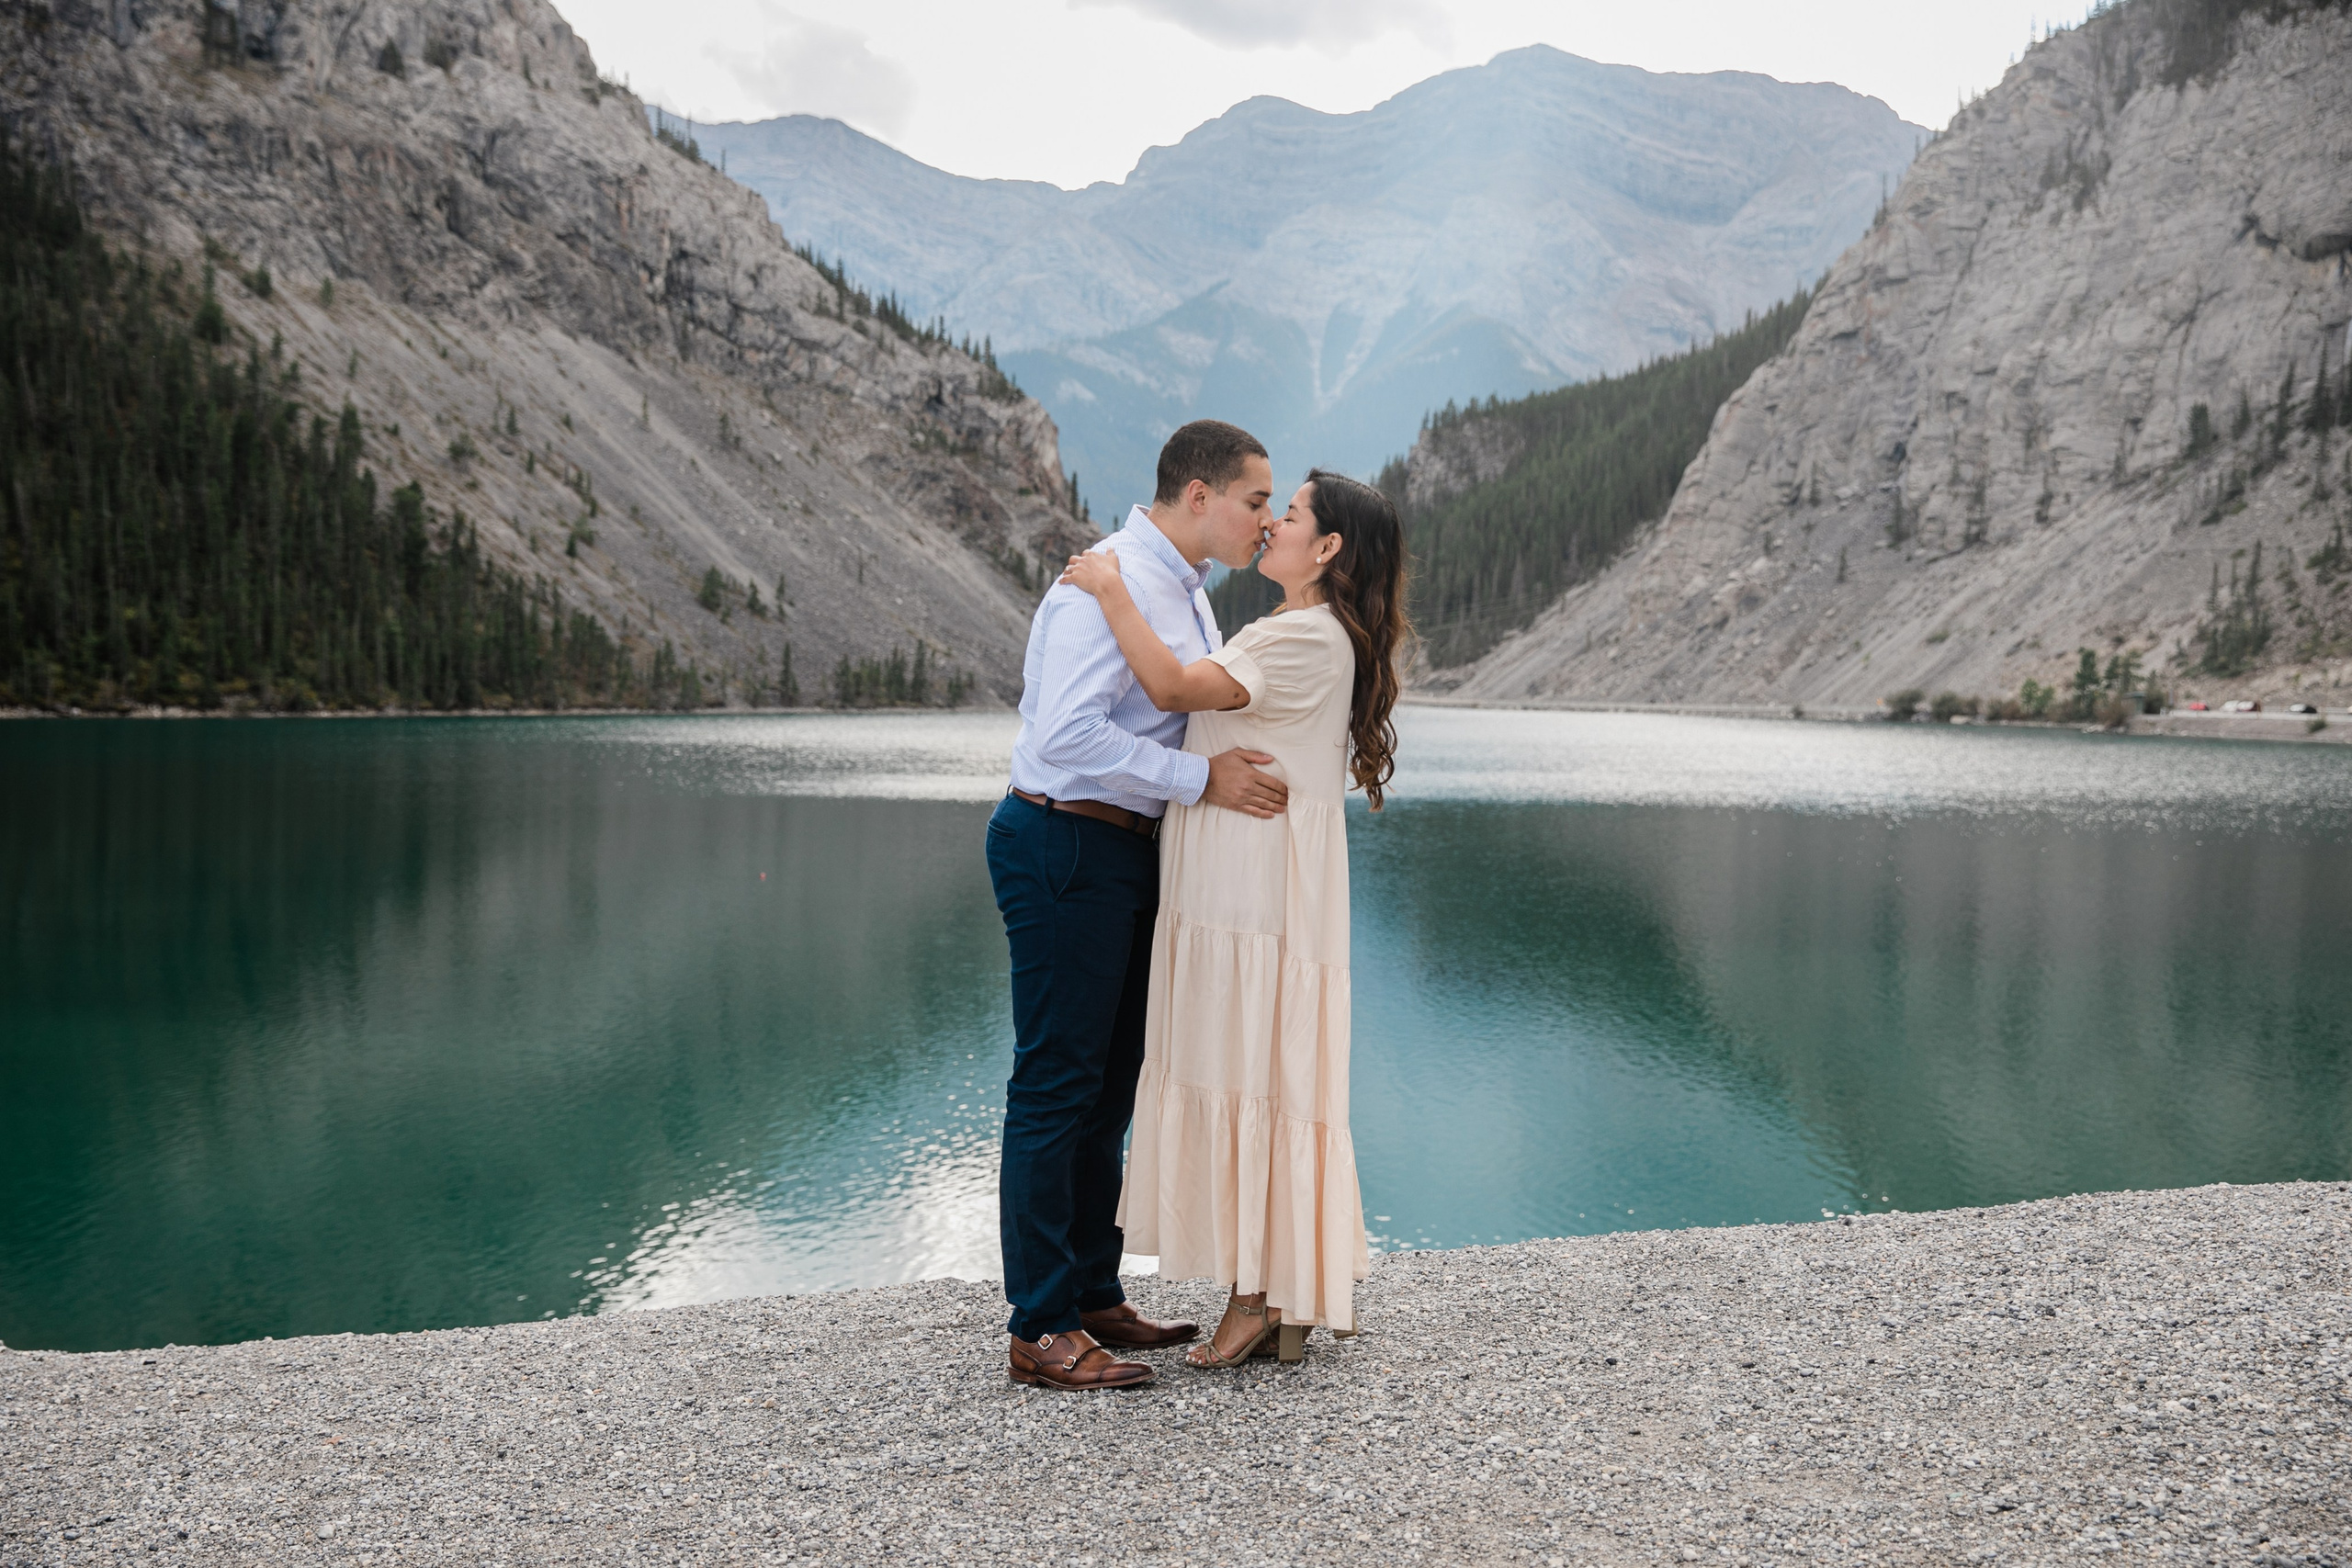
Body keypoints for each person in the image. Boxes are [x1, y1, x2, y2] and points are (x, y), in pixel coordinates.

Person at [1057, 467, 1408, 1369]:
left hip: (1248, 894)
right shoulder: (1315, 633)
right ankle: (1273, 1293)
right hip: (1254, 887)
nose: (1270, 528)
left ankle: (1259, 1295)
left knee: (1249, 1070)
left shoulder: (1300, 637)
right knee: (1262, 1074)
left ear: (1325, 548)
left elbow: (1172, 689)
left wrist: (1108, 588)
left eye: (1286, 516)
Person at [988, 420, 1293, 1392]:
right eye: (1255, 500)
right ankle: (1038, 1326)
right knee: (1056, 1082)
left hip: (1118, 851)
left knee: (1110, 1079)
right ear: (1196, 495)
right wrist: (1197, 780)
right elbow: (1067, 735)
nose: (1266, 519)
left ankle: (1087, 1290)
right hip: (1062, 838)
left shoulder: (1181, 592)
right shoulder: (1104, 579)